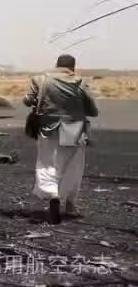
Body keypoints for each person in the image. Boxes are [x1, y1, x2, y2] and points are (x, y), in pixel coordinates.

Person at [23, 54, 98, 224]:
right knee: (73, 166)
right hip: (74, 129)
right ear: (73, 67)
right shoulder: (80, 82)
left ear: (57, 65)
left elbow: (27, 101)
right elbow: (93, 111)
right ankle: (70, 204)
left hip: (48, 128)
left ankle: (53, 194)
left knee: (47, 162)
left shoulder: (41, 79)